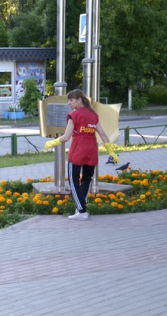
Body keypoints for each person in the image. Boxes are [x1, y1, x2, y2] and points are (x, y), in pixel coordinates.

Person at [43, 89, 120, 221]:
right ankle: (80, 208)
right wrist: (110, 151)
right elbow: (102, 133)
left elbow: (66, 137)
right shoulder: (93, 115)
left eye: (71, 100)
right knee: (86, 179)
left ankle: (82, 211)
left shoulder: (73, 115)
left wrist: (52, 142)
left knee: (73, 181)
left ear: (79, 100)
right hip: (91, 150)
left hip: (78, 151)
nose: (68, 103)